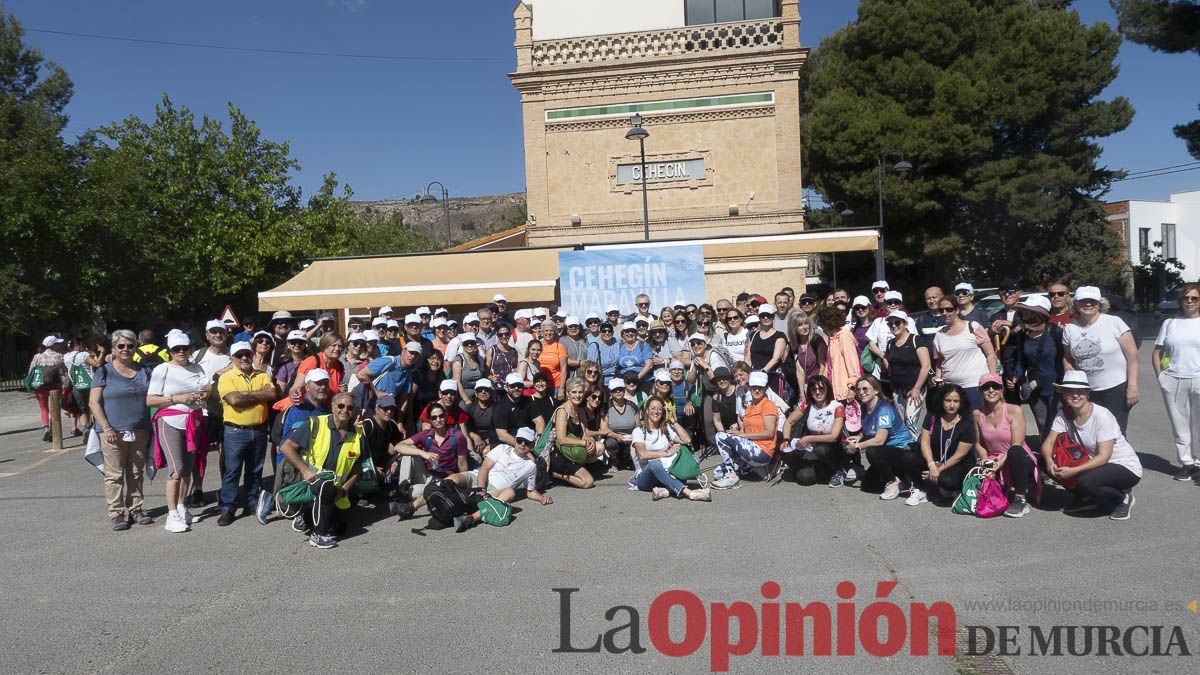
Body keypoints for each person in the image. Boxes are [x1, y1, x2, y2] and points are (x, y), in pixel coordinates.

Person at [392, 426, 552, 530]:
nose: (522, 444)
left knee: (510, 492)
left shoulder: (530, 466)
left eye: (526, 443)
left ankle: (469, 519)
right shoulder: (503, 448)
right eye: (520, 440)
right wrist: (481, 489)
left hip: (495, 491)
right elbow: (485, 467)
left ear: (531, 445)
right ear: (515, 440)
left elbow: (530, 491)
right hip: (477, 478)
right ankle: (410, 507)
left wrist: (542, 497)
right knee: (451, 479)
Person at [1041, 372, 1142, 520]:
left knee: (1086, 482)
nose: (1075, 395)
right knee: (1042, 461)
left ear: (1087, 393)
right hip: (1091, 462)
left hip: (1122, 466)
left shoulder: (1102, 416)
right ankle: (1086, 498)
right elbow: (1048, 443)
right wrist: (1049, 461)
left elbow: (1104, 456)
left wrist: (1073, 471)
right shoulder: (1064, 414)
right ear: (1063, 394)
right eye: (1070, 391)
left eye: (1080, 391)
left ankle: (1122, 498)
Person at [277, 392, 364, 548]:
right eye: (341, 406)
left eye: (350, 408)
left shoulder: (358, 434)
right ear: (332, 406)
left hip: (338, 492)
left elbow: (358, 469)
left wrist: (343, 491)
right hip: (311, 482)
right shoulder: (315, 423)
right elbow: (286, 447)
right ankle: (319, 534)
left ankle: (307, 515)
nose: (345, 410)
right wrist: (305, 471)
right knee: (326, 487)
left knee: (340, 529)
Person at [89, 330, 153, 531]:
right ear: (113, 349)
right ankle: (116, 513)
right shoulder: (104, 371)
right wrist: (106, 427)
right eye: (121, 346)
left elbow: (154, 396)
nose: (126, 350)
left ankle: (136, 508)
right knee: (114, 474)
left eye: (130, 346)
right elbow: (94, 402)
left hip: (140, 429)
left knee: (136, 472)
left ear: (135, 347)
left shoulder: (144, 371)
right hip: (112, 431)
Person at [146, 332, 210, 533]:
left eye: (184, 348)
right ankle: (171, 514)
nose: (181, 352)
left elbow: (205, 389)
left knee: (188, 467)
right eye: (176, 349)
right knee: (176, 469)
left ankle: (182, 507)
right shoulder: (162, 369)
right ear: (169, 351)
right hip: (170, 421)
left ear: (190, 349)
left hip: (194, 421)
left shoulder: (197, 367)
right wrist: (177, 399)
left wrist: (201, 395)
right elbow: (151, 400)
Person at [1062, 286, 1139, 434]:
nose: (1088, 304)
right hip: (1086, 390)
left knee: (1115, 431)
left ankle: (1119, 458)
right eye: (1084, 301)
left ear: (1100, 303)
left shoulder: (1114, 322)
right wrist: (1068, 369)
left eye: (1093, 301)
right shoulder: (1070, 328)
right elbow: (1067, 357)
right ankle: (1097, 457)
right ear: (1076, 304)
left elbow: (1133, 356)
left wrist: (1132, 385)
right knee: (1091, 430)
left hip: (1116, 387)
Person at [215, 342, 276, 526]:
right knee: (232, 471)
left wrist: (245, 395)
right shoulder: (226, 377)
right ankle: (228, 507)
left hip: (258, 430)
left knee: (255, 470)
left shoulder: (263, 375)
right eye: (239, 355)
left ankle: (251, 502)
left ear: (252, 356)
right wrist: (259, 395)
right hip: (235, 431)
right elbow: (233, 399)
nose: (244, 358)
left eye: (247, 354)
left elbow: (272, 394)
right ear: (232, 358)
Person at [1153, 282, 1200, 481]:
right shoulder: (1170, 323)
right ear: (1180, 301)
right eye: (1185, 298)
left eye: (1194, 298)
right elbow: (1157, 352)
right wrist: (1161, 377)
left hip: (1198, 377)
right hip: (1173, 379)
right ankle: (1186, 463)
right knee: (1179, 424)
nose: (1189, 301)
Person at [973, 373, 1038, 518]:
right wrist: (985, 459)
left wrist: (997, 465)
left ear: (1002, 390)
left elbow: (1017, 443)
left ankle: (1020, 499)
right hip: (994, 459)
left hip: (1017, 457)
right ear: (980, 391)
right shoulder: (977, 414)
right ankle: (1005, 488)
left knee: (1015, 451)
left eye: (995, 386)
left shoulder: (1014, 410)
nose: (991, 390)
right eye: (986, 387)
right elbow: (979, 443)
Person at [847, 375, 917, 500]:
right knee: (869, 486)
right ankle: (903, 479)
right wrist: (859, 437)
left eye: (865, 389)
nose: (861, 393)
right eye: (858, 389)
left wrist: (858, 446)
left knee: (872, 451)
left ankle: (894, 481)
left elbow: (879, 440)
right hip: (887, 451)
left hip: (903, 449)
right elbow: (871, 428)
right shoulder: (864, 407)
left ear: (876, 390)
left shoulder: (884, 408)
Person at [630, 396, 711, 502]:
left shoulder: (666, 429)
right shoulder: (639, 431)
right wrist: (667, 453)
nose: (656, 411)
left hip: (667, 471)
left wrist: (674, 422)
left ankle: (665, 491)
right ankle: (690, 493)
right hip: (645, 477)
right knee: (655, 464)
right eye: (653, 408)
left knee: (684, 460)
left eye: (659, 409)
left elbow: (687, 440)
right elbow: (642, 454)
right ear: (647, 410)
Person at [712, 371, 778, 489]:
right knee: (717, 473)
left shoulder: (768, 405)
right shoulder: (749, 407)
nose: (757, 390)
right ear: (750, 388)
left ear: (765, 389)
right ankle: (755, 469)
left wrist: (743, 436)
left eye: (760, 388)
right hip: (749, 448)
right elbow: (747, 432)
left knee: (720, 436)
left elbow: (769, 433)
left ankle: (732, 478)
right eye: (754, 388)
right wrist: (738, 433)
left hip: (762, 451)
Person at [913, 383, 978, 504]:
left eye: (956, 401)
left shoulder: (967, 424)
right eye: (948, 400)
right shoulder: (932, 417)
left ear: (961, 403)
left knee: (948, 481)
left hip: (957, 464)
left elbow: (959, 455)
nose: (952, 405)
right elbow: (925, 443)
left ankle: (948, 487)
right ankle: (921, 488)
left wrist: (938, 470)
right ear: (941, 400)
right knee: (909, 458)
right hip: (935, 460)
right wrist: (932, 465)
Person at [932, 296, 997, 410]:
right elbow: (939, 361)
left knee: (977, 423)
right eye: (941, 310)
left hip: (975, 386)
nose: (945, 313)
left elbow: (990, 354)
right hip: (951, 390)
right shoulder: (939, 335)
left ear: (957, 310)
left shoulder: (973, 327)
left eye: (949, 309)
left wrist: (992, 380)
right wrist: (937, 376)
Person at [1013, 295, 1063, 442]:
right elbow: (1020, 362)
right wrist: (1022, 382)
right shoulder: (1023, 335)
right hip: (1035, 389)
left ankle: (1062, 457)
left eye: (1030, 312)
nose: (1025, 315)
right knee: (1042, 424)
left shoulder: (1056, 333)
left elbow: (1067, 359)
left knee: (1059, 426)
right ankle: (1046, 458)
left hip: (1057, 389)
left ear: (1040, 315)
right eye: (1025, 312)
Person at [781, 375, 845, 487]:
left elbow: (834, 436)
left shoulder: (837, 407)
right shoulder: (806, 405)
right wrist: (786, 439)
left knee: (822, 450)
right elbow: (788, 422)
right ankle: (821, 471)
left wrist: (809, 438)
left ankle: (838, 471)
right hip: (811, 449)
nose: (818, 392)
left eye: (821, 389)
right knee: (803, 478)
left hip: (832, 448)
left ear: (827, 389)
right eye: (814, 389)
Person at [395, 401, 469, 493]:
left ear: (445, 416)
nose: (438, 420)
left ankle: (411, 493)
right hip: (427, 476)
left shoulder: (457, 436)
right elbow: (398, 446)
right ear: (430, 420)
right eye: (434, 418)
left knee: (415, 492)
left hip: (446, 479)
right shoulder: (426, 435)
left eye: (441, 416)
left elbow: (462, 463)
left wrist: (465, 484)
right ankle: (403, 488)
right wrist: (423, 453)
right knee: (409, 453)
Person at [881, 311, 930, 439]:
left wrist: (917, 389)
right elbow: (888, 360)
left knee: (910, 420)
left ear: (905, 323)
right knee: (901, 421)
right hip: (898, 389)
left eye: (897, 322)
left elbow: (926, 366)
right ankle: (906, 450)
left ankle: (920, 448)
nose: (894, 326)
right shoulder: (890, 343)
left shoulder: (916, 340)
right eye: (890, 323)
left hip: (915, 388)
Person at [550, 378, 602, 488]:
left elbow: (584, 433)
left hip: (574, 450)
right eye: (574, 392)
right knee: (588, 482)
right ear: (567, 393)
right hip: (560, 454)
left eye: (580, 392)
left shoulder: (580, 410)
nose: (577, 395)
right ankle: (556, 474)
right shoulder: (562, 411)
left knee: (599, 447)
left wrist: (590, 441)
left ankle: (579, 467)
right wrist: (584, 443)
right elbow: (561, 439)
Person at [816, 303, 861, 403]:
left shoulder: (844, 337)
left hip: (845, 393)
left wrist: (852, 388)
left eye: (822, 324)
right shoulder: (831, 338)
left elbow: (853, 366)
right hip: (833, 391)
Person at [30, 335, 66, 442]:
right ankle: (54, 430)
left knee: (43, 408)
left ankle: (46, 427)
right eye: (57, 343)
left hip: (41, 385)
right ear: (53, 345)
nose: (59, 345)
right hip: (55, 385)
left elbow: (31, 371)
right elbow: (64, 371)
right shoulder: (59, 356)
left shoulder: (37, 356)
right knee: (55, 408)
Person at [748, 305, 789, 397]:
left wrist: (762, 372)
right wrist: (748, 373)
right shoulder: (753, 335)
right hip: (754, 376)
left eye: (768, 315)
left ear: (773, 317)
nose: (766, 318)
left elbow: (776, 358)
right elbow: (748, 356)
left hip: (772, 377)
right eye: (763, 315)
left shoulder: (780, 336)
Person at [600, 378, 639, 471]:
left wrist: (634, 436)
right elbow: (604, 430)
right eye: (614, 390)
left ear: (624, 390)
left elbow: (638, 426)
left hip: (630, 437)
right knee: (610, 443)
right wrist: (616, 436)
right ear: (610, 392)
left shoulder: (632, 405)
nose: (618, 391)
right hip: (614, 437)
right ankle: (614, 459)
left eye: (620, 389)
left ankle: (630, 458)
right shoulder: (606, 407)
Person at [788, 311, 826, 399]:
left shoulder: (816, 340)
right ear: (794, 328)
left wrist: (818, 384)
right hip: (805, 385)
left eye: (806, 324)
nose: (804, 327)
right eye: (800, 325)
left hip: (818, 383)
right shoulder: (794, 344)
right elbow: (800, 370)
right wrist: (802, 393)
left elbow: (823, 366)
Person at [491, 372, 531, 449]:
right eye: (513, 386)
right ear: (506, 388)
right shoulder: (500, 406)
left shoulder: (528, 401)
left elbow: (539, 421)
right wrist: (523, 447)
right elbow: (502, 436)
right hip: (503, 445)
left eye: (519, 386)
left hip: (525, 442)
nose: (516, 388)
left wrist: (539, 436)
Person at [463, 378, 497, 458]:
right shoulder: (469, 408)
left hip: (492, 441)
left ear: (491, 392)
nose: (483, 392)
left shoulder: (497, 408)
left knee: (486, 452)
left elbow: (500, 431)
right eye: (480, 390)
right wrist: (475, 436)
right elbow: (464, 429)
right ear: (476, 393)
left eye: (486, 390)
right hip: (473, 441)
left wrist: (484, 443)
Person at [451, 333, 488, 402]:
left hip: (477, 397)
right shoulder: (459, 361)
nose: (470, 345)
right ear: (462, 345)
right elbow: (457, 382)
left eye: (472, 343)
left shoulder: (478, 359)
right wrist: (466, 400)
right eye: (466, 343)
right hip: (462, 398)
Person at [538, 321, 569, 400]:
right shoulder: (536, 345)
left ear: (555, 332)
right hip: (539, 384)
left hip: (555, 385)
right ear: (542, 332)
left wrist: (562, 388)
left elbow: (564, 369)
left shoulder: (560, 347)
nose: (549, 333)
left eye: (551, 330)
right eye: (546, 330)